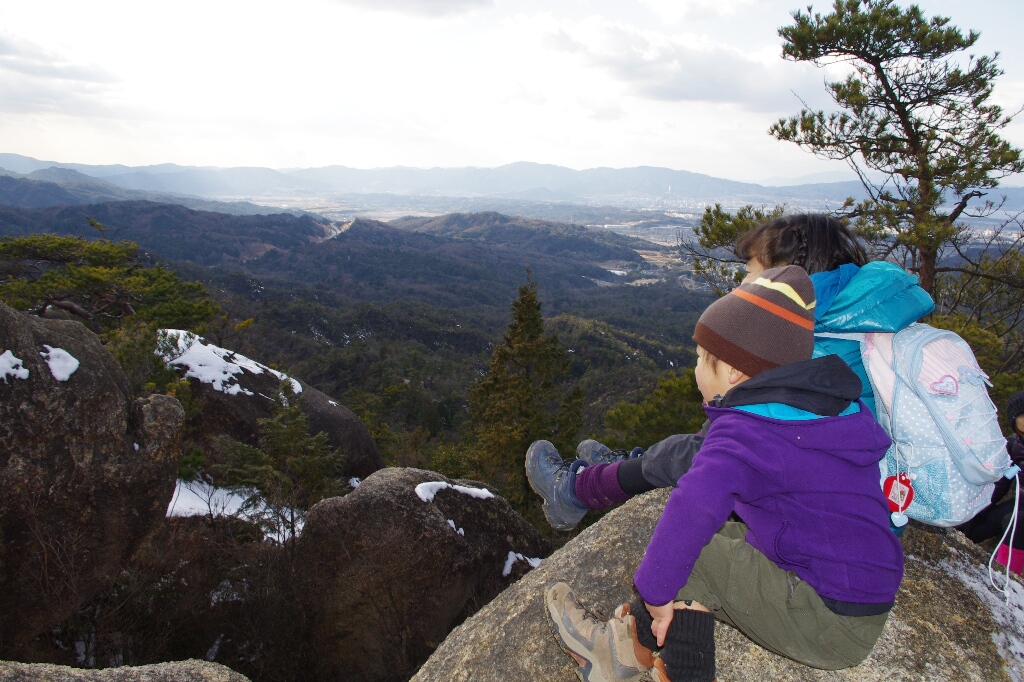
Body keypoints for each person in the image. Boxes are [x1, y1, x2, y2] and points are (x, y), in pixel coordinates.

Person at [544, 265, 903, 682]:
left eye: (701, 359)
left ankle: (627, 657)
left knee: (690, 556)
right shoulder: (824, 408)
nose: (695, 368)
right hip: (862, 597)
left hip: (828, 617)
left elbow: (692, 506)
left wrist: (657, 594)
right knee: (720, 541)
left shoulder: (742, 431)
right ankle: (652, 637)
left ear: (733, 373)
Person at [526, 213, 934, 532]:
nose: (742, 285)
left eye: (750, 273)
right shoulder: (852, 318)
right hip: (855, 488)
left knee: (682, 451)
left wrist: (629, 474)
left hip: (812, 510)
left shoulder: (811, 346)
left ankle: (577, 491)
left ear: (787, 277)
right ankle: (627, 465)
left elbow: (714, 450)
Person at [957, 391, 1024, 572]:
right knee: (981, 521)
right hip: (1020, 501)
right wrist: (977, 507)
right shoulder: (1013, 445)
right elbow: (1002, 482)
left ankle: (1009, 576)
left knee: (1018, 521)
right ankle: (956, 548)